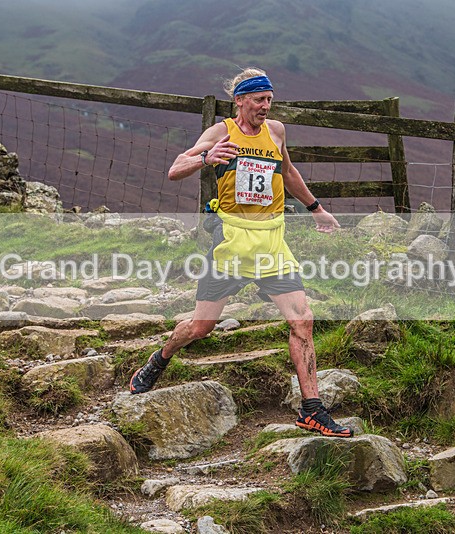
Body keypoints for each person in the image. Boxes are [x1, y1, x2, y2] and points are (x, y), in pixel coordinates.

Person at [130, 67, 353, 438]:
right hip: (231, 241)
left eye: (270, 100)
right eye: (259, 100)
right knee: (201, 327)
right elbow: (174, 169)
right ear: (240, 101)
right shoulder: (221, 132)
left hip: (271, 242)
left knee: (302, 320)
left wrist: (317, 209)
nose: (266, 106)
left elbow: (288, 171)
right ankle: (161, 358)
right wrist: (206, 158)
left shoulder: (276, 131)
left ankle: (312, 409)